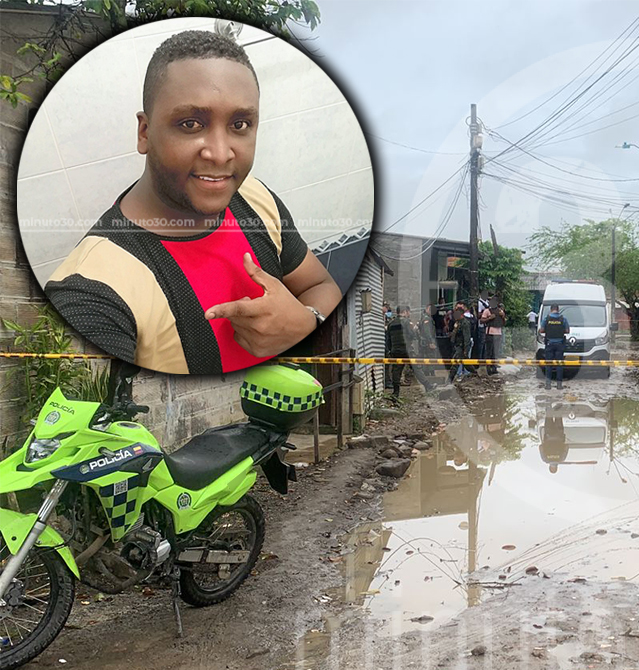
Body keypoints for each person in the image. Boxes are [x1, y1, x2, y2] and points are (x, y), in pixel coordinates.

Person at [42, 30, 342, 375]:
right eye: (190, 124)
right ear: (145, 133)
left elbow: (321, 286)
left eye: (240, 124)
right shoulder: (92, 288)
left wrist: (306, 321)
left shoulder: (256, 199)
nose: (219, 153)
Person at [541, 303, 569, 390]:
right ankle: (559, 385)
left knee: (549, 364)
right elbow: (567, 331)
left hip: (549, 344)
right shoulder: (563, 319)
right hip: (560, 344)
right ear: (558, 309)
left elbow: (541, 330)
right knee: (559, 365)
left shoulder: (546, 319)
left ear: (551, 309)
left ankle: (548, 385)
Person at [386, 306, 411, 400]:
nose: (409, 314)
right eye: (408, 312)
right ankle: (427, 385)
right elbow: (411, 335)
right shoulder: (406, 322)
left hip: (395, 350)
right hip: (406, 349)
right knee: (418, 367)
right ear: (404, 312)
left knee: (396, 370)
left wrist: (390, 350)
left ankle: (396, 392)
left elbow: (388, 339)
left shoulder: (391, 323)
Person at [482, 298, 507, 375]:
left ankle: (494, 368)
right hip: (489, 333)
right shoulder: (487, 311)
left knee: (495, 352)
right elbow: (481, 320)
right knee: (489, 351)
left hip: (498, 333)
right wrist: (489, 318)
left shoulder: (500, 311)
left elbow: (504, 323)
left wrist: (503, 316)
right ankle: (488, 368)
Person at [449, 302, 472, 381]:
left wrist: (466, 349)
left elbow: (467, 337)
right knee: (466, 363)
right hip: (457, 345)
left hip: (461, 346)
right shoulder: (457, 322)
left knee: (455, 362)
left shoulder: (465, 323)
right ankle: (475, 374)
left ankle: (449, 379)